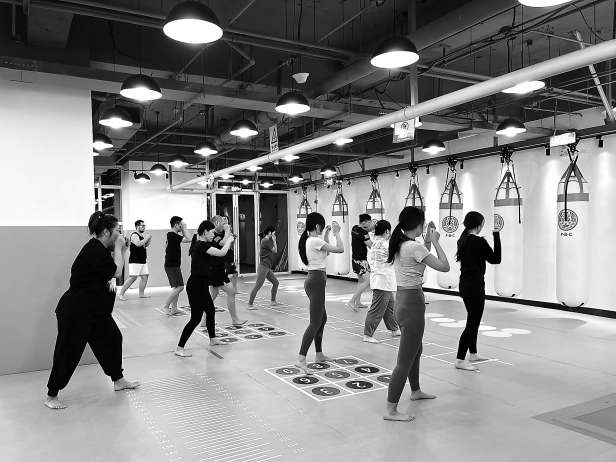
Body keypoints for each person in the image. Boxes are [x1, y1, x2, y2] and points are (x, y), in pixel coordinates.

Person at [45, 212, 140, 409]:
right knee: (68, 352)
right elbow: (117, 272)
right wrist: (119, 247)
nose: (119, 234)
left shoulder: (100, 249)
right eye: (117, 230)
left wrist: (121, 248)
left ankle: (118, 380)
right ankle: (51, 396)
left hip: (96, 312)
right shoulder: (94, 250)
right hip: (76, 312)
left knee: (113, 339)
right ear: (106, 232)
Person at [384, 206, 449, 422]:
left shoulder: (404, 244)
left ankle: (416, 390)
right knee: (404, 360)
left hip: (404, 300)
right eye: (423, 222)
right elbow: (444, 266)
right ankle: (390, 410)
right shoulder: (413, 247)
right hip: (411, 303)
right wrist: (436, 241)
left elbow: (420, 258)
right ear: (418, 224)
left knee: (416, 350)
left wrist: (427, 240)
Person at [175, 220, 235, 357]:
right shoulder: (201, 245)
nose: (213, 234)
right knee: (195, 319)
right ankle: (179, 348)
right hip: (196, 286)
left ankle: (213, 339)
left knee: (210, 310)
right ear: (205, 232)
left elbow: (219, 249)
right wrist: (229, 240)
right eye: (212, 232)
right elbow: (222, 253)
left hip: (201, 284)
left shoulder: (204, 244)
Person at [295, 212, 344, 375]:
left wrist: (328, 234)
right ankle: (301, 359)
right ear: (317, 226)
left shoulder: (313, 241)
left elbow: (326, 252)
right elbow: (340, 249)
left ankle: (319, 354)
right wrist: (337, 233)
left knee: (322, 319)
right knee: (315, 322)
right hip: (316, 281)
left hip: (316, 280)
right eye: (322, 228)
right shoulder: (314, 241)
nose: (322, 230)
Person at [455, 211, 501, 372]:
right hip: (475, 286)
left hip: (464, 285)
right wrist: (496, 235)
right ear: (479, 225)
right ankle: (460, 359)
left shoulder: (462, 240)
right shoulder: (479, 241)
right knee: (473, 323)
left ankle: (473, 354)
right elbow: (496, 259)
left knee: (472, 319)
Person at [201, 215, 246, 327]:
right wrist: (227, 231)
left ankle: (204, 320)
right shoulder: (213, 235)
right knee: (231, 292)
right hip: (214, 269)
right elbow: (222, 243)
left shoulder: (220, 234)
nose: (224, 225)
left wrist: (231, 239)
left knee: (213, 294)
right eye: (222, 223)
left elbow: (228, 246)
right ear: (216, 223)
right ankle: (234, 319)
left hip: (219, 267)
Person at [363, 220, 400, 343]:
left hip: (382, 280)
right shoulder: (386, 245)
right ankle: (367, 335)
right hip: (382, 281)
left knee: (389, 307)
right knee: (377, 309)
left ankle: (394, 329)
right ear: (387, 231)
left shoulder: (373, 243)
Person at [162, 216, 192, 316]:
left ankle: (174, 308)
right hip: (171, 265)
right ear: (176, 225)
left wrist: (183, 229)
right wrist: (185, 228)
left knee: (176, 287)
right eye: (180, 225)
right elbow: (189, 239)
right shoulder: (172, 235)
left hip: (174, 265)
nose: (181, 226)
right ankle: (166, 306)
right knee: (180, 287)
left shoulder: (172, 235)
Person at [248, 225, 281, 308]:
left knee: (276, 283)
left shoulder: (267, 240)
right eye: (273, 233)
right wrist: (274, 240)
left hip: (267, 267)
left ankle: (273, 301)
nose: (274, 235)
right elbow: (275, 250)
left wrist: (273, 240)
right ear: (269, 233)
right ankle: (250, 304)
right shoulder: (265, 241)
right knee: (258, 286)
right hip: (263, 267)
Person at [118, 219, 151, 300]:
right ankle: (121, 294)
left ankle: (141, 294)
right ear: (137, 226)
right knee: (133, 277)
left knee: (145, 276)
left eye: (144, 226)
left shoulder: (141, 236)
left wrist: (148, 239)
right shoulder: (134, 235)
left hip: (142, 260)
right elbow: (138, 244)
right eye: (142, 226)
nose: (144, 227)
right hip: (135, 260)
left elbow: (144, 245)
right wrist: (147, 238)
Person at [347, 214, 374, 310]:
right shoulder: (364, 233)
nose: (370, 224)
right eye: (369, 222)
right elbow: (371, 245)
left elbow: (360, 235)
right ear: (365, 222)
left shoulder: (354, 228)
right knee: (367, 281)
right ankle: (351, 301)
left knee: (361, 281)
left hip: (355, 259)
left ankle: (358, 302)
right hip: (361, 261)